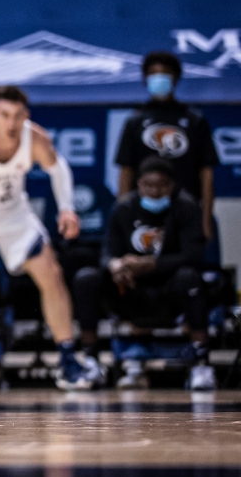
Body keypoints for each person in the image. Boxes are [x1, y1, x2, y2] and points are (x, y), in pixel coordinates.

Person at [0, 86, 106, 391]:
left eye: (17, 116)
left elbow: (58, 168)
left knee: (51, 274)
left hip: (12, 215)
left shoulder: (34, 138)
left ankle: (67, 361)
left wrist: (66, 209)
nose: (11, 123)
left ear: (26, 115)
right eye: (5, 115)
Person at [73, 157, 214, 392]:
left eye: (161, 185)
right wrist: (116, 266)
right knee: (86, 278)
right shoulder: (124, 207)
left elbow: (193, 255)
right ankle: (90, 361)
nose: (154, 191)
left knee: (191, 277)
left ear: (171, 185)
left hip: (169, 292)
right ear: (138, 184)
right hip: (130, 290)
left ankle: (201, 363)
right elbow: (107, 253)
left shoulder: (186, 206)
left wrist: (151, 264)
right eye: (148, 185)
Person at [115, 51, 218, 246]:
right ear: (145, 79)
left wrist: (206, 220)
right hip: (143, 211)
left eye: (165, 74)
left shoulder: (195, 122)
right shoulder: (135, 122)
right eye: (153, 74)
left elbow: (207, 173)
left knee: (185, 269)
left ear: (176, 78)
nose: (159, 79)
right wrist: (123, 218)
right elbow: (125, 171)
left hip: (185, 210)